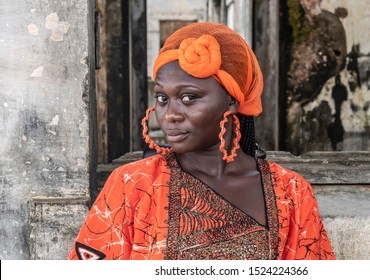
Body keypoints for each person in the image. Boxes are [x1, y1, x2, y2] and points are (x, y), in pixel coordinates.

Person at [68, 22, 335, 260]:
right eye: (162, 98)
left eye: (188, 98)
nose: (170, 115)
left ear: (232, 99)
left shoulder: (290, 193)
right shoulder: (133, 186)